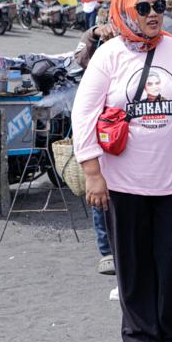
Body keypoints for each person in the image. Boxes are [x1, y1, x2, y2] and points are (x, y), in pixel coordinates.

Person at [72, 0, 172, 342]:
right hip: (123, 183)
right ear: (123, 12)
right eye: (144, 8)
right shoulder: (108, 57)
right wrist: (92, 172)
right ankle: (139, 337)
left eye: (159, 6)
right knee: (133, 264)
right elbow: (82, 114)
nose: (154, 14)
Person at [73, 22, 119, 276]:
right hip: (102, 130)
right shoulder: (100, 43)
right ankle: (107, 251)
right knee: (101, 195)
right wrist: (93, 34)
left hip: (127, 132)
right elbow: (79, 57)